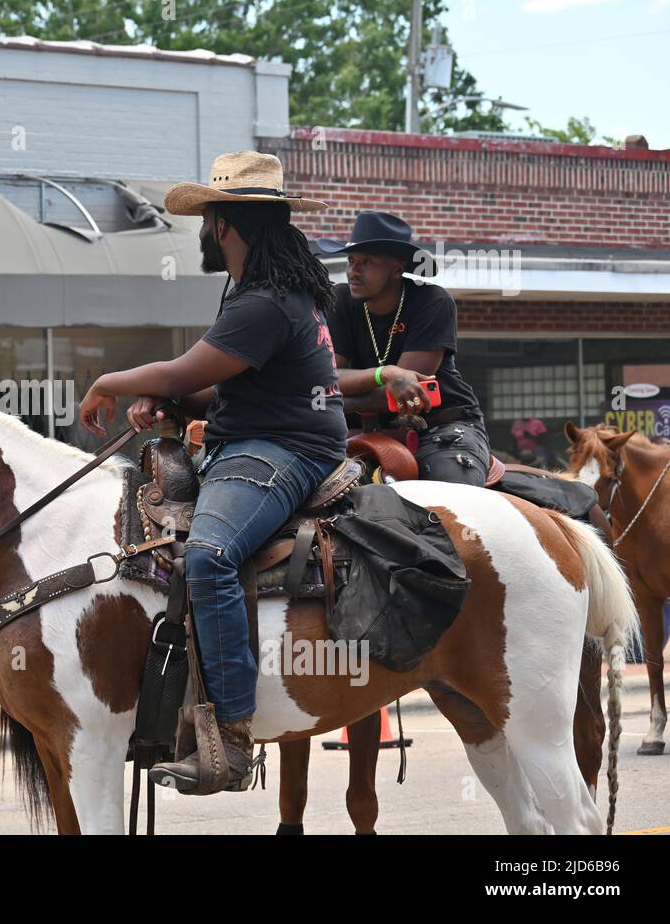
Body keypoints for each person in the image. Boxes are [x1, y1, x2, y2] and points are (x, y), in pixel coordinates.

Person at [77, 152, 346, 793]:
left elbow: (182, 372)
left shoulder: (266, 301)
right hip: (256, 436)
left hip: (283, 449)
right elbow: (206, 387)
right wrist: (171, 401)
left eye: (206, 219)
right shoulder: (261, 291)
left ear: (224, 224)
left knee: (211, 555)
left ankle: (228, 736)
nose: (201, 231)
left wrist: (111, 381)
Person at [320, 211, 490, 484]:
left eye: (367, 263)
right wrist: (384, 373)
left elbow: (405, 392)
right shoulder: (339, 300)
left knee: (449, 501)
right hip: (361, 430)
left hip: (442, 426)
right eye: (351, 261)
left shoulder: (432, 302)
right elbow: (329, 379)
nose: (354, 271)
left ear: (398, 269)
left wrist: (331, 401)